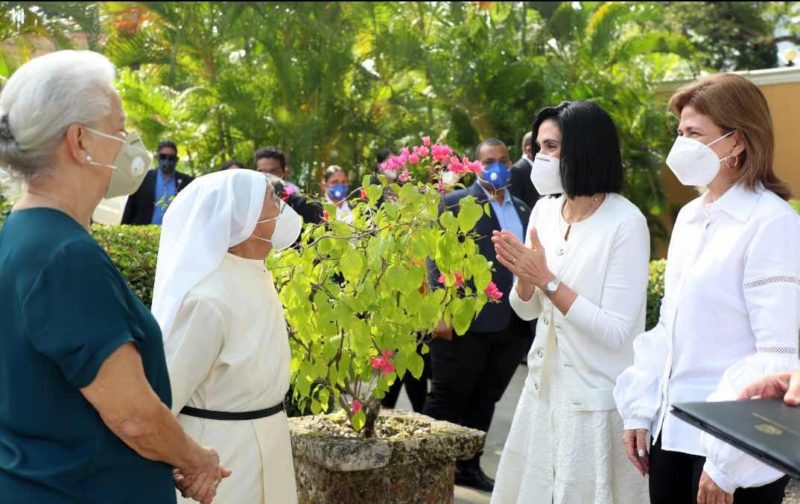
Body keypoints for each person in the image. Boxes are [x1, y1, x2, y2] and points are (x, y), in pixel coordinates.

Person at [0, 50, 228, 504]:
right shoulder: (64, 255)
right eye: (120, 129)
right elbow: (134, 416)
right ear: (79, 139)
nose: (130, 144)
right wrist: (196, 459)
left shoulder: (23, 232)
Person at [614, 73, 800, 504]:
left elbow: (775, 358)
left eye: (695, 134)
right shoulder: (693, 217)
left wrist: (726, 465)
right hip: (672, 430)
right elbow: (668, 325)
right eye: (680, 133)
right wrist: (640, 408)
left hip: (731, 445)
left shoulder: (771, 223)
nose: (682, 145)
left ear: (737, 141)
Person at [490, 101, 650, 504]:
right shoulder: (544, 210)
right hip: (542, 393)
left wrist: (546, 279)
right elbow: (525, 308)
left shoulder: (625, 222)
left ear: (584, 149)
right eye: (538, 148)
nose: (540, 158)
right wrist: (526, 278)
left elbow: (616, 331)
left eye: (551, 147)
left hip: (595, 401)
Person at [152, 169, 303, 504]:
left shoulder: (255, 273)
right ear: (243, 218)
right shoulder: (206, 299)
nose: (280, 209)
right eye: (271, 202)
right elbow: (164, 399)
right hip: (221, 464)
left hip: (270, 443)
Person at [423, 138, 533, 493]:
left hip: (514, 323)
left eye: (503, 160)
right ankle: (429, 471)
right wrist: (440, 310)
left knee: (486, 398)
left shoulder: (522, 207)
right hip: (465, 320)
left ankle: (468, 467)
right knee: (450, 396)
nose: (497, 166)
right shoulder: (455, 203)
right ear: (475, 164)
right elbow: (435, 257)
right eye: (489, 161)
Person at [122, 139, 194, 225]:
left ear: (176, 160)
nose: (167, 161)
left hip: (172, 234)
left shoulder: (186, 183)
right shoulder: (144, 178)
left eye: (171, 158)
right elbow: (130, 206)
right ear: (157, 157)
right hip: (145, 233)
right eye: (163, 156)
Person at [509, 131, 540, 208]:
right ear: (529, 150)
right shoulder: (516, 170)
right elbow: (515, 203)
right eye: (540, 146)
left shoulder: (536, 168)